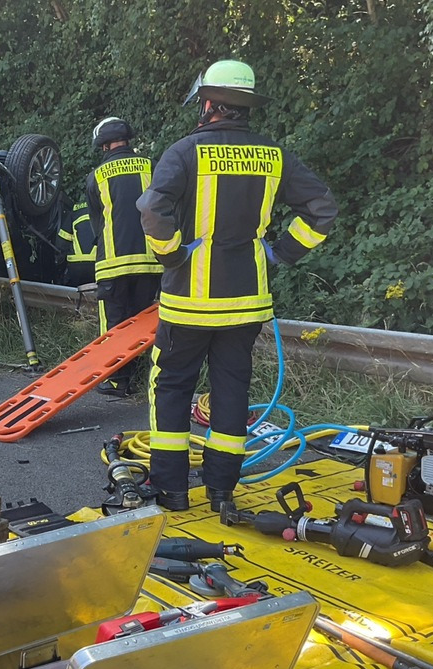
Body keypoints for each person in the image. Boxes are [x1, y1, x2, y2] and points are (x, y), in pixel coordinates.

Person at [137, 59, 337, 512]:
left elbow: (152, 210)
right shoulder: (273, 155)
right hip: (246, 305)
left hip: (188, 304)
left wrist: (170, 254)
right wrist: (282, 251)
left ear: (209, 103)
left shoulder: (184, 152)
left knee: (171, 389)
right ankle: (222, 491)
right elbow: (323, 210)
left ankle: (171, 490)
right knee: (231, 394)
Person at [86, 117, 163, 398]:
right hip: (151, 260)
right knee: (142, 321)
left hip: (113, 264)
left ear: (103, 144)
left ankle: (119, 380)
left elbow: (98, 224)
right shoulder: (151, 167)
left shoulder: (97, 176)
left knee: (115, 324)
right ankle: (146, 373)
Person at [56, 199, 97, 288]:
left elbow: (61, 242)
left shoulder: (75, 211)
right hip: (98, 264)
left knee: (75, 296)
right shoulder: (106, 208)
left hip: (76, 265)